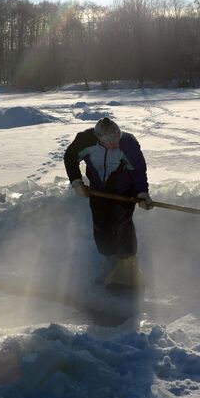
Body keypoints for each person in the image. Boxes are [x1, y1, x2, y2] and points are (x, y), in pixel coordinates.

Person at [63, 117, 152, 286]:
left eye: (117, 138)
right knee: (101, 226)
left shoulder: (128, 144)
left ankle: (128, 265)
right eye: (110, 141)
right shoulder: (85, 140)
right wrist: (76, 182)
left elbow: (138, 170)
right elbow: (70, 157)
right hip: (98, 191)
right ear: (99, 138)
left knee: (123, 224)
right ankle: (110, 262)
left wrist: (142, 193)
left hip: (124, 192)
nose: (115, 143)